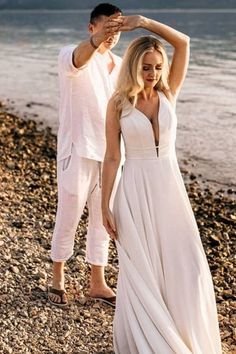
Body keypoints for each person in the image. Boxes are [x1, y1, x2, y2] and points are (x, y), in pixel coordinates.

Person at [102, 15, 222, 353]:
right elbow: (112, 157)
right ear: (133, 68)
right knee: (144, 270)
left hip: (170, 190)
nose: (152, 74)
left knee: (189, 265)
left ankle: (185, 333)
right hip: (135, 191)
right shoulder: (117, 105)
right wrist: (105, 205)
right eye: (145, 67)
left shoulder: (170, 92)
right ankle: (151, 339)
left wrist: (142, 23)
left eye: (156, 67)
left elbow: (183, 42)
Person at [48, 3, 124, 307]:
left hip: (109, 155)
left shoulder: (119, 65)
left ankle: (98, 282)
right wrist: (97, 41)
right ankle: (57, 277)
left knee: (103, 218)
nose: (111, 35)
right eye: (106, 28)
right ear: (91, 27)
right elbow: (80, 59)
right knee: (68, 214)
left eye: (116, 29)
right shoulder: (71, 53)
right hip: (76, 149)